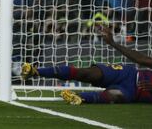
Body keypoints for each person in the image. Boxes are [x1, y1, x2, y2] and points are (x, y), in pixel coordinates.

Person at [21, 26, 152, 105]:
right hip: (129, 74)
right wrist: (113, 43)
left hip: (134, 93)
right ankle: (35, 71)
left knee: (116, 95)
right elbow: (141, 59)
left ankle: (79, 97)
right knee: (89, 73)